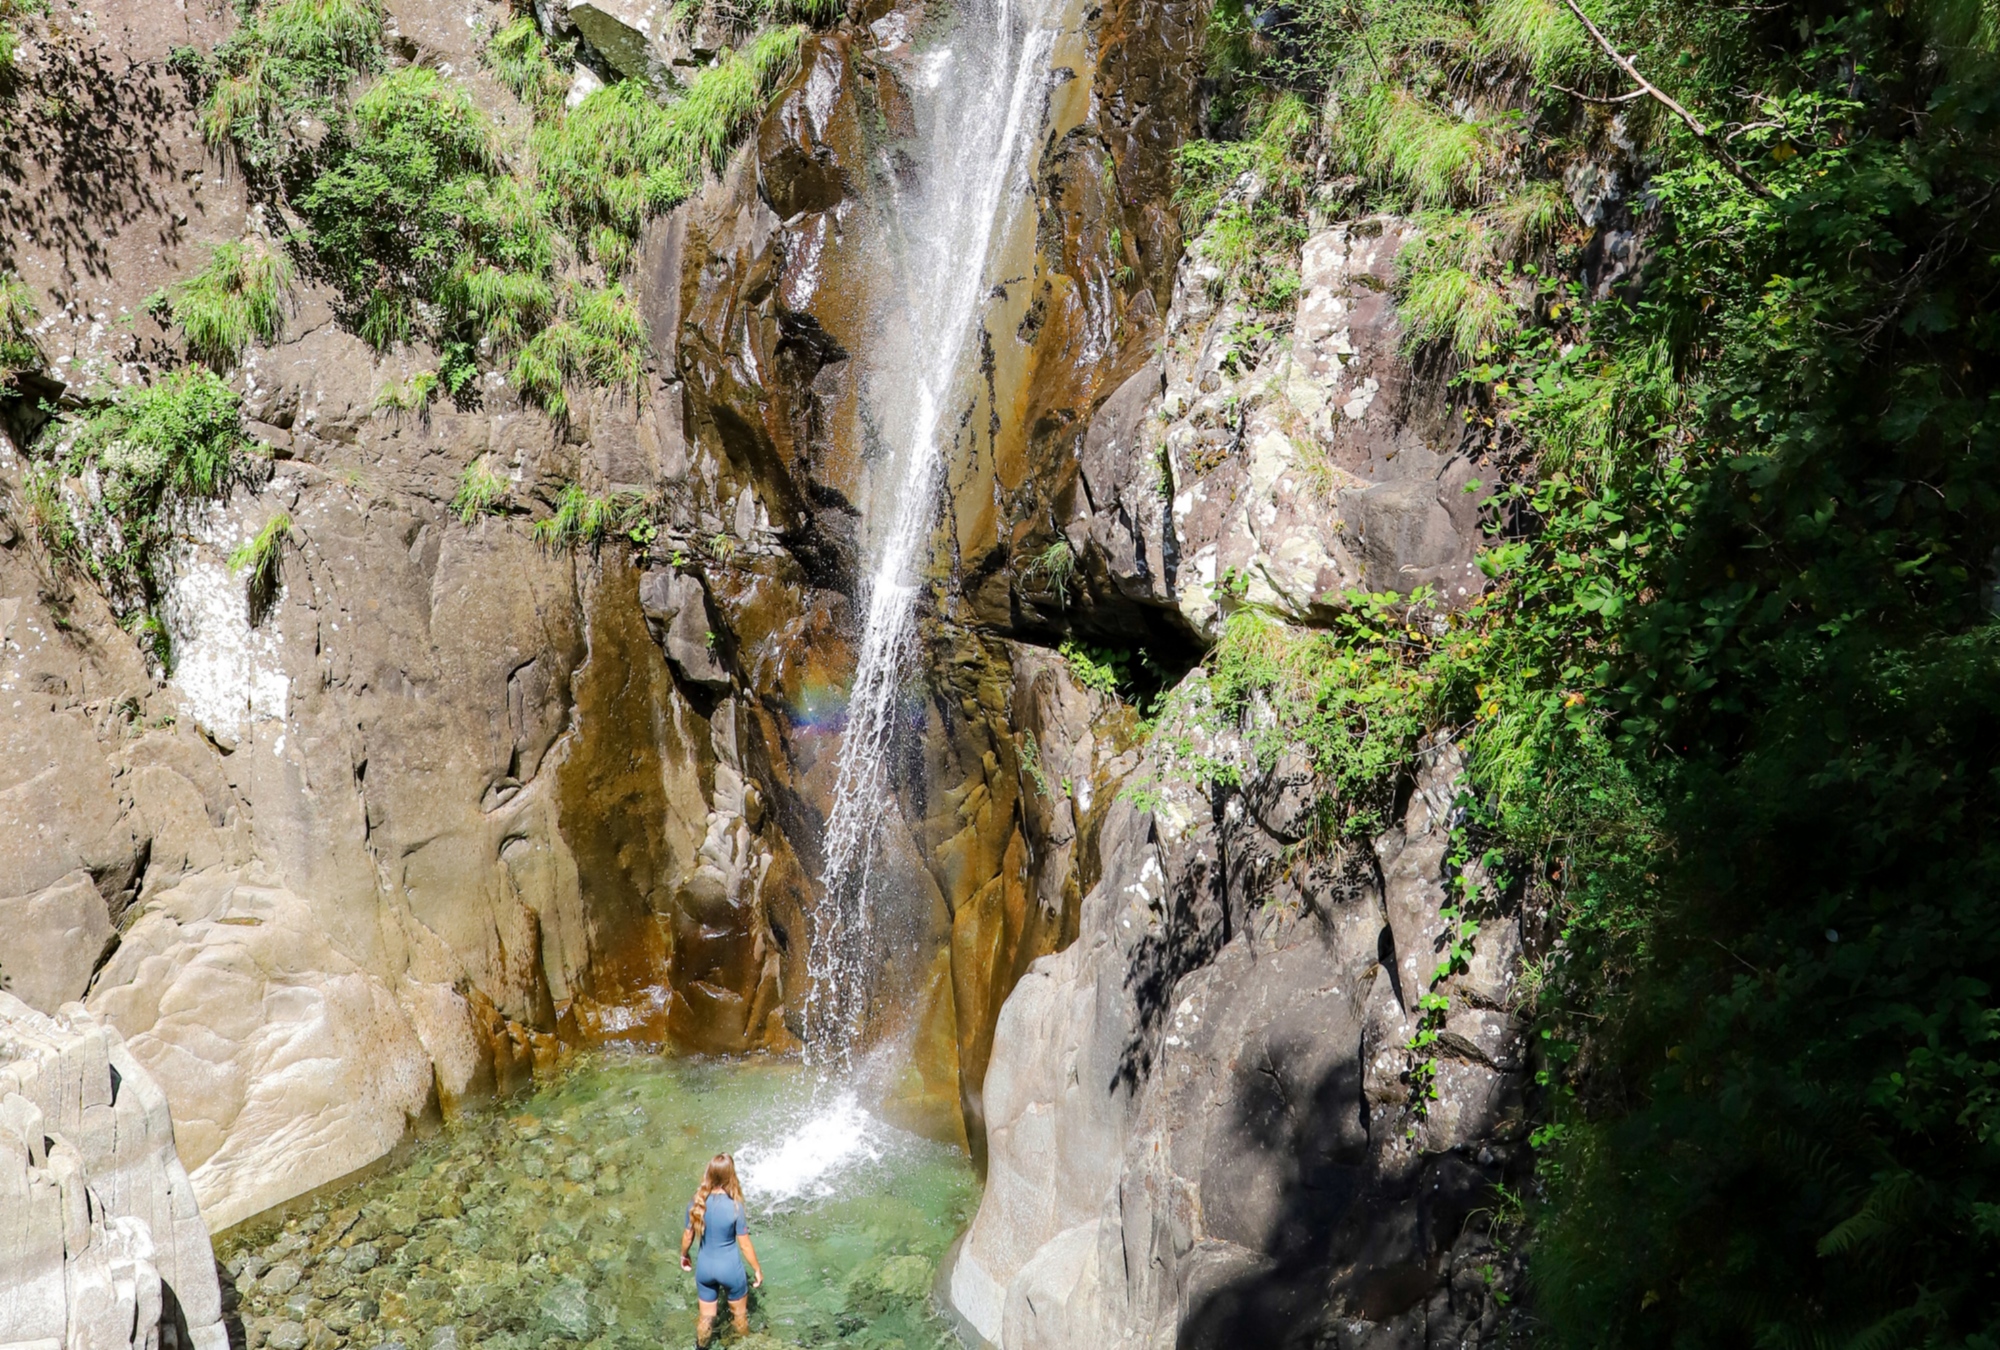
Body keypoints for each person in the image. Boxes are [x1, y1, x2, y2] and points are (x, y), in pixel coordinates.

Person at [678, 1153, 763, 1346]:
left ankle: (700, 1347)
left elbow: (687, 1236)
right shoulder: (735, 1206)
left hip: (705, 1269)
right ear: (730, 1175)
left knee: (706, 1319)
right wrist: (757, 1269)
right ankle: (744, 1346)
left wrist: (684, 1255)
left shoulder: (696, 1203)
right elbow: (745, 1245)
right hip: (730, 1270)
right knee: (739, 1318)